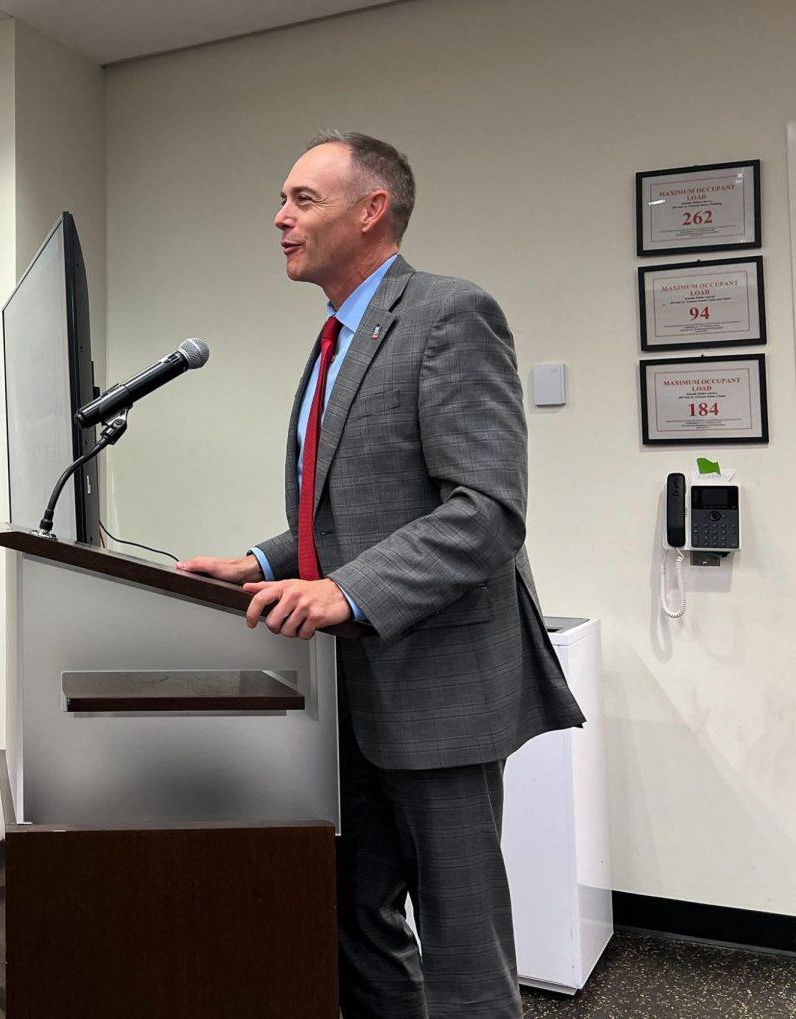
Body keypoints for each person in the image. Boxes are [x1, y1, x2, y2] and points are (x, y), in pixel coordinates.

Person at [177, 131, 585, 1019]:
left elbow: (485, 509)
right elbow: (344, 513)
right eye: (281, 203)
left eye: (302, 200)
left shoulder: (448, 314)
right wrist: (260, 561)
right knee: (353, 916)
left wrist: (348, 591)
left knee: (463, 944)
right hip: (347, 691)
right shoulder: (333, 342)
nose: (281, 220)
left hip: (438, 689)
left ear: (371, 210)